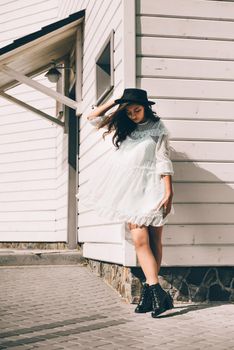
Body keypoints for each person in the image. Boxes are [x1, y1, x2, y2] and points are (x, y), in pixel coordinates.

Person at [76, 88, 175, 318]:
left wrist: (169, 192)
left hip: (154, 188)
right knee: (140, 239)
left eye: (137, 110)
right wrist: (115, 102)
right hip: (132, 191)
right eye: (129, 111)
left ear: (146, 108)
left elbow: (163, 160)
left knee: (154, 240)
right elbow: (93, 118)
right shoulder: (125, 127)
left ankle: (149, 295)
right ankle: (158, 292)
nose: (133, 115)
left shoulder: (158, 129)